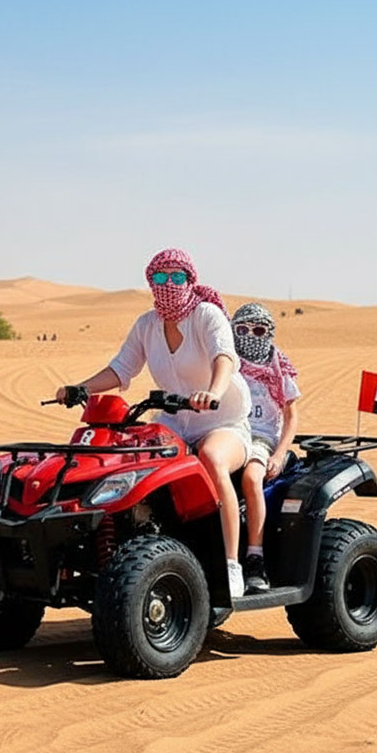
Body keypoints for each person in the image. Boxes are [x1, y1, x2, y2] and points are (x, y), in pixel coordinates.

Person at [55, 248, 252, 597]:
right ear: (150, 283)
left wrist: (212, 391)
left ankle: (231, 564)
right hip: (174, 422)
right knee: (130, 460)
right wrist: (80, 388)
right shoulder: (147, 325)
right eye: (160, 278)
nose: (169, 285)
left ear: (191, 280)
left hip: (224, 421)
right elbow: (121, 369)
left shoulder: (206, 316)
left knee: (211, 459)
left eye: (177, 277)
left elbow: (225, 357)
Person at [232, 302, 300, 593]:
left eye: (258, 330)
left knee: (250, 478)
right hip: (230, 432)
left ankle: (254, 557)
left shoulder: (278, 366)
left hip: (262, 438)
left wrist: (280, 452)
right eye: (243, 329)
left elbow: (291, 415)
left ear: (269, 332)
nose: (251, 335)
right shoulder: (228, 363)